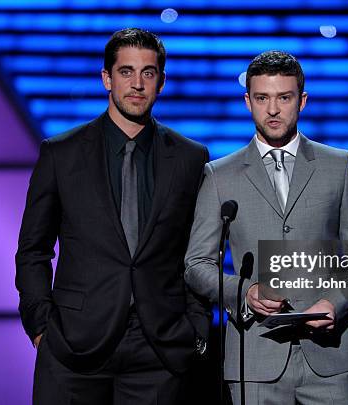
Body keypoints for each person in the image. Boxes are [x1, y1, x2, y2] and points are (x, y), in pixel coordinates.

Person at [16, 28, 210, 405]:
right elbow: (33, 248)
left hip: (159, 347)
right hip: (74, 345)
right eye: (126, 72)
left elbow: (199, 251)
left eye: (148, 73)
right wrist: (41, 326)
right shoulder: (62, 154)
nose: (137, 84)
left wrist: (196, 328)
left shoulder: (190, 158)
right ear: (106, 78)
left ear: (162, 81)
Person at [184, 50, 348, 404]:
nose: (273, 109)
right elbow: (197, 266)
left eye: (284, 97)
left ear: (302, 101)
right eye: (262, 98)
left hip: (331, 358)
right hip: (255, 359)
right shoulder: (219, 176)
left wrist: (335, 302)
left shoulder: (339, 166)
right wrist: (244, 292)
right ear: (248, 101)